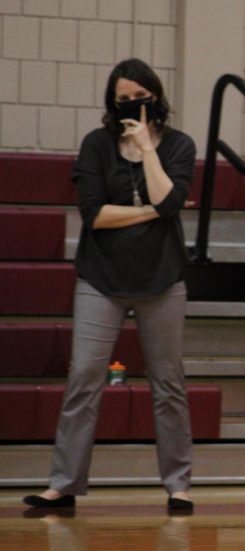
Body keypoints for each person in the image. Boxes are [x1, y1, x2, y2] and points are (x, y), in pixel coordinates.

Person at [23, 58, 197, 512]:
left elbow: (169, 196)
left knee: (168, 382)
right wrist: (156, 212)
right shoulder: (97, 145)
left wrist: (148, 150)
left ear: (155, 98)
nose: (133, 105)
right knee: (83, 376)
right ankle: (63, 485)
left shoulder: (179, 145)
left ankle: (178, 485)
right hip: (101, 279)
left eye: (141, 97)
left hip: (162, 279)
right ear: (112, 102)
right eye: (124, 99)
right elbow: (94, 215)